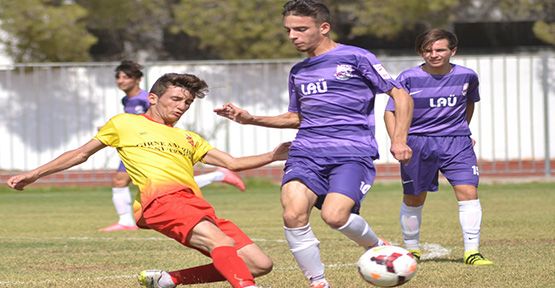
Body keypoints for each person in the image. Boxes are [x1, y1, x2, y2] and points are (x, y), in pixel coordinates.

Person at [7, 73, 290, 288]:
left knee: (258, 264)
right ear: (153, 98)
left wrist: (274, 154)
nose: (182, 107)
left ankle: (170, 279)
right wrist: (34, 174)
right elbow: (80, 154)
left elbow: (232, 163)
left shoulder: (189, 137)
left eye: (188, 103)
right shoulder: (124, 123)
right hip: (161, 202)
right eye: (176, 99)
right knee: (221, 241)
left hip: (195, 204)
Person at [214, 1, 413, 287]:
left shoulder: (356, 57)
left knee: (335, 216)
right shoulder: (298, 71)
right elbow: (296, 117)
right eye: (288, 30)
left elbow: (401, 95)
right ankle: (318, 282)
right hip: (306, 153)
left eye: (300, 29)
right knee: (293, 213)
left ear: (323, 27)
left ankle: (377, 246)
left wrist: (399, 139)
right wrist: (250, 118)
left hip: (350, 153)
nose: (293, 36)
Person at [383, 28, 493, 266]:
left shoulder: (468, 76)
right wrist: (397, 141)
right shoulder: (408, 78)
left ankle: (472, 252)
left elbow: (468, 105)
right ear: (421, 52)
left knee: (468, 193)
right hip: (418, 142)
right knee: (414, 197)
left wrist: (461, 129)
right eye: (427, 50)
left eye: (440, 49)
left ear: (452, 50)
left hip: (457, 143)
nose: (434, 54)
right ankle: (412, 250)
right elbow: (390, 112)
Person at [101, 60, 246, 232]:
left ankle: (126, 221)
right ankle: (217, 176)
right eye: (118, 77)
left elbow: (155, 121)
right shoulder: (127, 99)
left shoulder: (144, 98)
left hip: (148, 146)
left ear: (138, 80)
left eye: (126, 77)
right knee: (135, 182)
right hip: (135, 144)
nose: (121, 81)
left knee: (130, 181)